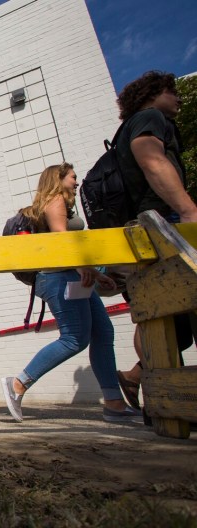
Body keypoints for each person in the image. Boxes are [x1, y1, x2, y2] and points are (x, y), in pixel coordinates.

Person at [0, 163, 141, 423]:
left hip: (72, 276)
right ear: (59, 178)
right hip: (59, 277)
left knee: (103, 332)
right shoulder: (55, 200)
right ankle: (18, 383)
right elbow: (61, 238)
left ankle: (114, 403)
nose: (77, 182)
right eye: (73, 177)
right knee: (74, 338)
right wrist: (84, 268)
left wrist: (96, 274)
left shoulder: (58, 203)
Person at [112, 71, 197, 410]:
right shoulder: (149, 119)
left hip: (142, 229)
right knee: (173, 311)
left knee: (163, 316)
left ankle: (142, 384)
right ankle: (160, 396)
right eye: (170, 91)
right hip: (163, 223)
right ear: (151, 94)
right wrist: (187, 208)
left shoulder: (124, 129)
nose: (177, 98)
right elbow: (151, 158)